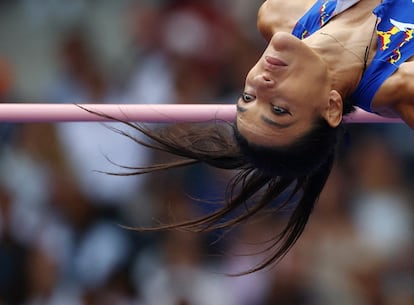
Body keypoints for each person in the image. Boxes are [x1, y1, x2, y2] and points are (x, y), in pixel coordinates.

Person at [101, 0, 414, 272]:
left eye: (247, 100)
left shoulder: (279, 14)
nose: (261, 84)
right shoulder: (402, 83)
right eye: (278, 109)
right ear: (332, 108)